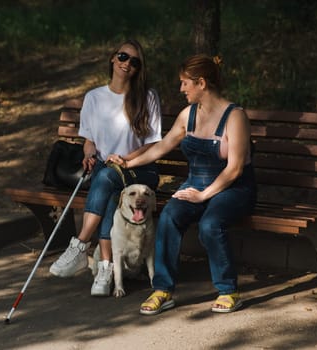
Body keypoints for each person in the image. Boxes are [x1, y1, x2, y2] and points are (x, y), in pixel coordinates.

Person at [108, 54, 256, 313]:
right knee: (169, 216)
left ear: (201, 83)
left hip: (234, 188)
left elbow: (234, 170)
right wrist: (129, 163)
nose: (181, 89)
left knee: (210, 225)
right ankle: (163, 289)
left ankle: (228, 291)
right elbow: (163, 146)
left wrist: (203, 196)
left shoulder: (235, 117)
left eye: (185, 83)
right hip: (196, 184)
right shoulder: (188, 115)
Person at [49, 39, 162, 297]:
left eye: (135, 62)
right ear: (113, 58)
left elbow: (153, 144)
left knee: (109, 176)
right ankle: (105, 269)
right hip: (107, 169)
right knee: (110, 189)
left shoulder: (147, 97)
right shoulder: (94, 98)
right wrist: (88, 156)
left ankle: (80, 245)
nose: (127, 64)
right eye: (123, 57)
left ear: (139, 68)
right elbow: (90, 141)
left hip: (140, 168)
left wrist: (126, 160)